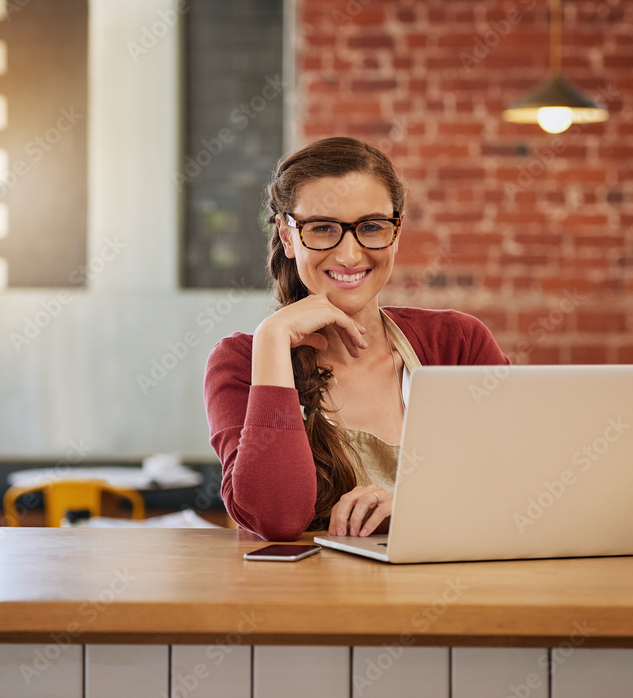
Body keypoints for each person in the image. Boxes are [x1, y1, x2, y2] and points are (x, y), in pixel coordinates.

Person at [203, 136, 510, 542]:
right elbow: (275, 519)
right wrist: (274, 341)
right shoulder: (244, 361)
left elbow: (521, 485)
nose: (350, 255)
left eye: (370, 227)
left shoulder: (457, 344)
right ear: (288, 235)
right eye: (323, 228)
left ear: (396, 232)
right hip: (313, 603)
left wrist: (413, 507)